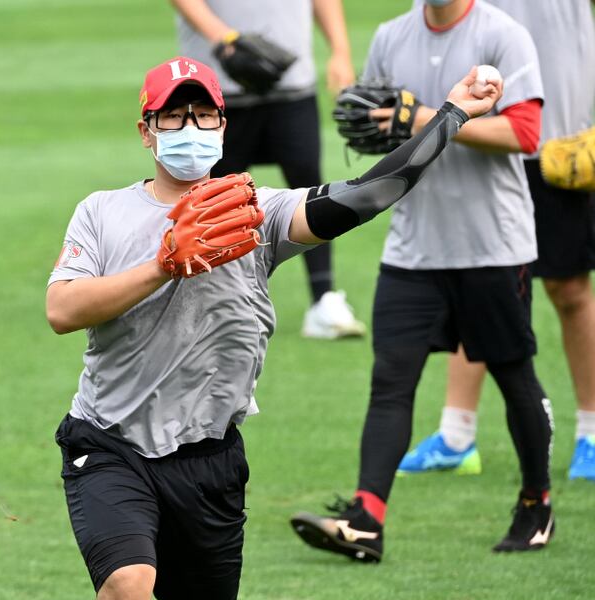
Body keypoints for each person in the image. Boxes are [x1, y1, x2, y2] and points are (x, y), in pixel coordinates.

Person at [46, 54, 496, 600]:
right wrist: (163, 264)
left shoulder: (257, 213)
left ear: (223, 126)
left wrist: (449, 115)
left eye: (202, 114)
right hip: (108, 441)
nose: (188, 127)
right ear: (147, 131)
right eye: (172, 115)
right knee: (127, 585)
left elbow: (367, 194)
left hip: (209, 457)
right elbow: (63, 310)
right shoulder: (101, 213)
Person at [290, 0, 556, 562]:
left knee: (514, 377)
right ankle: (366, 520)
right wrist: (376, 126)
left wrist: (421, 118)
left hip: (492, 248)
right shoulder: (391, 36)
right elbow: (380, 130)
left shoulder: (502, 34)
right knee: (390, 381)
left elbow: (525, 132)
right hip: (413, 249)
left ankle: (537, 504)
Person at [399, 0, 595, 482]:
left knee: (569, 289)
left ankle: (591, 433)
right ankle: (456, 435)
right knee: (473, 282)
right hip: (472, 133)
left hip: (559, 138)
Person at [169, 0, 366, 339]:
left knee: (311, 191)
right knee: (213, 201)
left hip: (293, 84)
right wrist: (225, 40)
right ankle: (210, 304)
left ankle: (324, 300)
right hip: (218, 89)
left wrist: (340, 50)